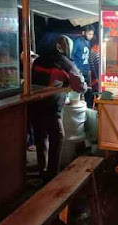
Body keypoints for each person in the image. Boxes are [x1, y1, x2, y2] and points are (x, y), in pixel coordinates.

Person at [30, 35, 87, 181]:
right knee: (57, 138)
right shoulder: (64, 62)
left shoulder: (38, 60)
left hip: (34, 106)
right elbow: (80, 86)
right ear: (68, 48)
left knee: (41, 139)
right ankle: (52, 175)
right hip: (51, 108)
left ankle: (42, 170)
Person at [72, 25, 95, 108]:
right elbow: (72, 55)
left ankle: (86, 109)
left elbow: (87, 58)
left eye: (92, 34)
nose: (90, 36)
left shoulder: (88, 43)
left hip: (86, 71)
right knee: (80, 93)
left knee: (87, 92)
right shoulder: (77, 41)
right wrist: (75, 69)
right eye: (89, 34)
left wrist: (89, 72)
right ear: (83, 32)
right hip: (78, 71)